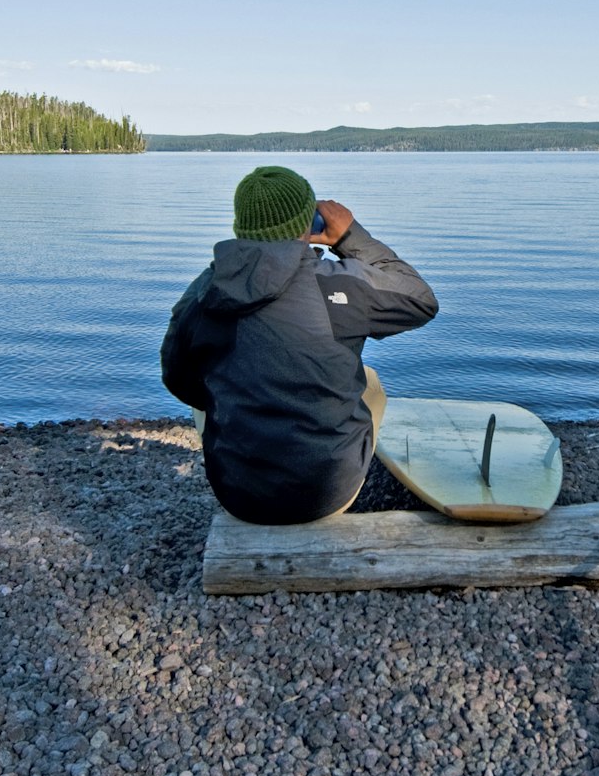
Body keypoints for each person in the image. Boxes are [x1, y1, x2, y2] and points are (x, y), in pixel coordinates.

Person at [161, 165, 438, 524]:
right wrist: (350, 238)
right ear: (308, 223)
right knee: (369, 381)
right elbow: (421, 300)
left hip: (238, 496)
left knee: (212, 381)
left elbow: (176, 377)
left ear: (240, 225)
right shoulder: (339, 286)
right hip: (327, 495)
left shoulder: (205, 293)